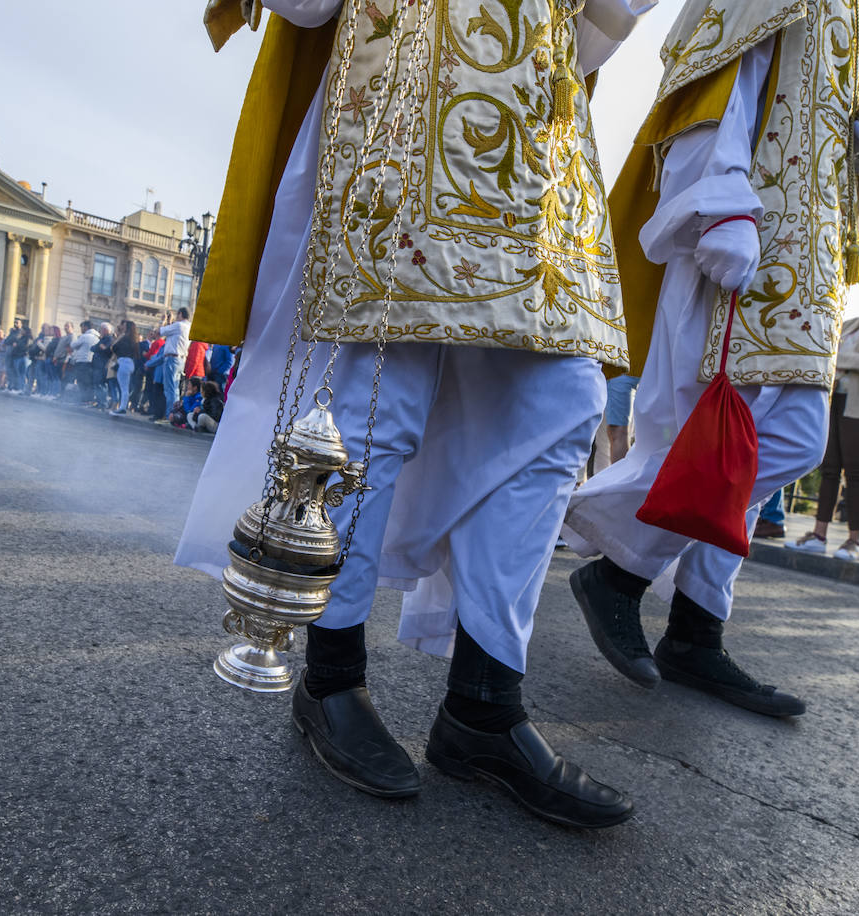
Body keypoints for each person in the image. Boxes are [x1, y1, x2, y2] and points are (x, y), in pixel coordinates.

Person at [179, 0, 653, 826]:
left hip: (534, 128)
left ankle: (482, 705)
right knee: (374, 404)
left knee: (561, 403)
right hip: (405, 88)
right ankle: (329, 680)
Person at [564, 0, 859, 719]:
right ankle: (628, 581)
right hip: (745, 233)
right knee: (720, 438)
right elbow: (717, 68)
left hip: (807, 256)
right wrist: (718, 199)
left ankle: (689, 624)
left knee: (780, 441)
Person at [787, 276, 859, 561]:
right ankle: (818, 535)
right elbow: (828, 341)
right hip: (835, 400)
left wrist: (836, 360)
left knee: (855, 471)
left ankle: (853, 542)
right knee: (829, 467)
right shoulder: (857, 323)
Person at [157, 307, 190, 417]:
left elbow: (160, 332)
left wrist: (163, 321)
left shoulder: (178, 325)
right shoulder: (188, 326)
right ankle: (173, 416)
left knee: (169, 390)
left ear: (180, 314)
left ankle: (169, 416)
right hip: (181, 359)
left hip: (172, 359)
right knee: (175, 389)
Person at [111, 320, 140, 414]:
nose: (122, 327)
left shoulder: (125, 338)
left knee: (124, 388)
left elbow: (114, 347)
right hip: (129, 363)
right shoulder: (133, 339)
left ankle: (122, 408)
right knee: (125, 387)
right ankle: (123, 407)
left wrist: (119, 336)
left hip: (123, 363)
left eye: (124, 326)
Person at [70, 319, 99, 402]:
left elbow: (73, 345)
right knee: (88, 382)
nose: (81, 329)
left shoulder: (85, 336)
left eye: (82, 327)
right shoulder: (97, 337)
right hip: (91, 362)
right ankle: (88, 399)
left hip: (82, 361)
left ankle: (84, 400)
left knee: (81, 381)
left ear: (86, 327)